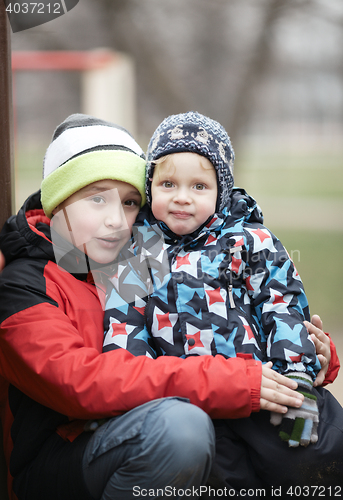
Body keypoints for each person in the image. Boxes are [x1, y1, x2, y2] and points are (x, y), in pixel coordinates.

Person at [0, 113, 318, 500]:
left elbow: (225, 313)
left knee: (300, 443)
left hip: (166, 420)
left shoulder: (142, 255)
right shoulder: (22, 285)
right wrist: (235, 381)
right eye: (96, 198)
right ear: (58, 199)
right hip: (67, 455)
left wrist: (308, 352)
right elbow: (81, 383)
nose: (116, 219)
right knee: (180, 429)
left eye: (131, 202)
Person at [103, 111, 343, 489]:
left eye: (199, 186)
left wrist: (297, 372)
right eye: (168, 184)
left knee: (310, 461)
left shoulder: (249, 241)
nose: (182, 198)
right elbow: (125, 323)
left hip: (264, 391)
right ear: (150, 187)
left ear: (221, 189)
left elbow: (282, 305)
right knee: (221, 483)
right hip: (193, 403)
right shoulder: (140, 251)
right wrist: (136, 400)